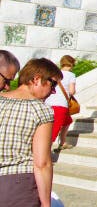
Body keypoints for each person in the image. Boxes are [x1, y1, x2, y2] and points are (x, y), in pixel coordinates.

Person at [0, 58, 60, 207]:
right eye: (52, 84)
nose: (53, 91)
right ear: (36, 79)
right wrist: (46, 203)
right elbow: (42, 163)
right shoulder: (40, 110)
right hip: (18, 186)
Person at [46, 55, 77, 150]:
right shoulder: (71, 75)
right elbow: (72, 91)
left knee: (68, 121)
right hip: (61, 105)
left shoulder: (54, 74)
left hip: (49, 102)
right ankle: (46, 154)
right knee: (54, 131)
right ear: (71, 64)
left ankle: (63, 142)